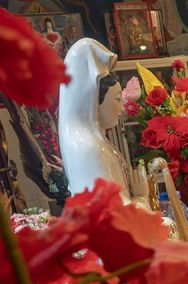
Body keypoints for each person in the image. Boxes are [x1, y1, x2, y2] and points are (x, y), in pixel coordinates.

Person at [58, 38, 149, 208]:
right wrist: (141, 197)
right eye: (116, 100)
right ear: (93, 101)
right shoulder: (88, 147)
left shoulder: (94, 140)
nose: (122, 108)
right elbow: (115, 216)